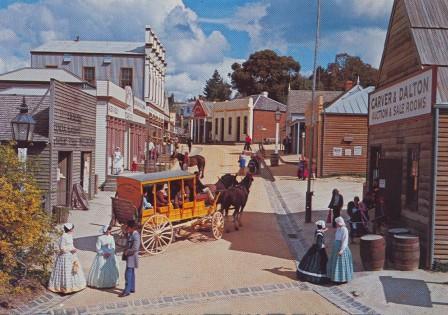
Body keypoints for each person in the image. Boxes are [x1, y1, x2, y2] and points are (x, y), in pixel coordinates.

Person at [48, 223, 86, 293]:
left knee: (74, 269)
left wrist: (74, 248)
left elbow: (71, 245)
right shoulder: (63, 236)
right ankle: (65, 287)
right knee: (66, 270)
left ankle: (74, 286)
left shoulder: (70, 235)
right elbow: (62, 248)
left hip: (72, 255)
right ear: (69, 229)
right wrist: (70, 250)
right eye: (72, 228)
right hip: (65, 256)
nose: (73, 230)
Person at [327, 217, 354, 283]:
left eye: (336, 223)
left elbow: (344, 240)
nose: (336, 224)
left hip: (341, 248)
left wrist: (342, 250)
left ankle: (342, 279)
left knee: (341, 263)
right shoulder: (338, 229)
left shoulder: (344, 229)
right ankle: (336, 278)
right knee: (335, 263)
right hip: (336, 248)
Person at [119, 220, 140, 297]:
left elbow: (135, 248)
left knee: (128, 273)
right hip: (130, 256)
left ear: (132, 228)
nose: (127, 228)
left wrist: (127, 252)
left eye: (128, 227)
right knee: (131, 272)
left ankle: (127, 291)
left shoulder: (136, 235)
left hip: (132, 256)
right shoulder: (130, 234)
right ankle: (132, 288)